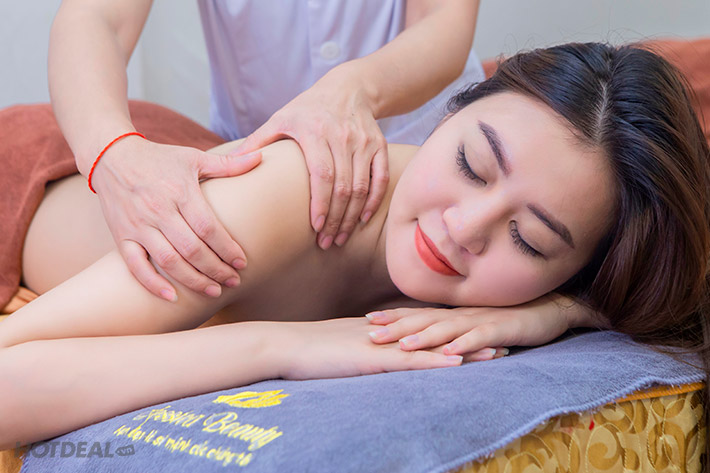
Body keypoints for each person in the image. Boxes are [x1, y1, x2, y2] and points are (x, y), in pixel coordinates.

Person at [1, 43, 708, 472]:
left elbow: (673, 293)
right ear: (451, 114)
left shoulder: (545, 292)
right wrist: (282, 347)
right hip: (29, 174)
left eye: (530, 240)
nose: (462, 227)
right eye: (470, 163)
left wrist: (557, 312)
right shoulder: (288, 194)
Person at [48, 0, 484, 303]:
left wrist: (355, 90)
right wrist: (112, 151)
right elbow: (96, 15)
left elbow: (443, 18)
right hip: (259, 164)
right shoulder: (263, 201)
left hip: (428, 146)